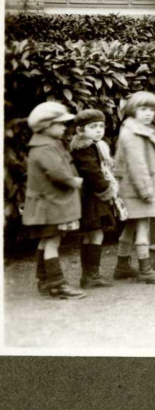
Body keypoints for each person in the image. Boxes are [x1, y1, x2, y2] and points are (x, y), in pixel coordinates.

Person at [23, 102, 85, 299]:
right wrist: (73, 181)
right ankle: (58, 285)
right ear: (46, 126)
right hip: (50, 206)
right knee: (52, 242)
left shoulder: (45, 144)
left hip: (47, 205)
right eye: (59, 124)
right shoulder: (46, 148)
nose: (63, 127)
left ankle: (44, 280)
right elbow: (57, 172)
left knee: (45, 241)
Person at [113, 92, 155, 284]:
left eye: (152, 110)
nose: (148, 113)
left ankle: (122, 266)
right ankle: (145, 269)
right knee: (143, 227)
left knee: (131, 226)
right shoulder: (134, 133)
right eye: (143, 109)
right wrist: (146, 191)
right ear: (132, 110)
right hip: (138, 188)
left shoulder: (137, 129)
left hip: (132, 187)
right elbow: (137, 164)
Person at [69, 109, 119, 289]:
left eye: (101, 126)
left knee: (91, 234)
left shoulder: (96, 145)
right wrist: (106, 190)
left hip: (91, 196)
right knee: (96, 233)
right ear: (80, 130)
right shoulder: (84, 148)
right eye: (93, 127)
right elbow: (92, 172)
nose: (99, 130)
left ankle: (89, 275)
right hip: (91, 197)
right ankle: (91, 275)